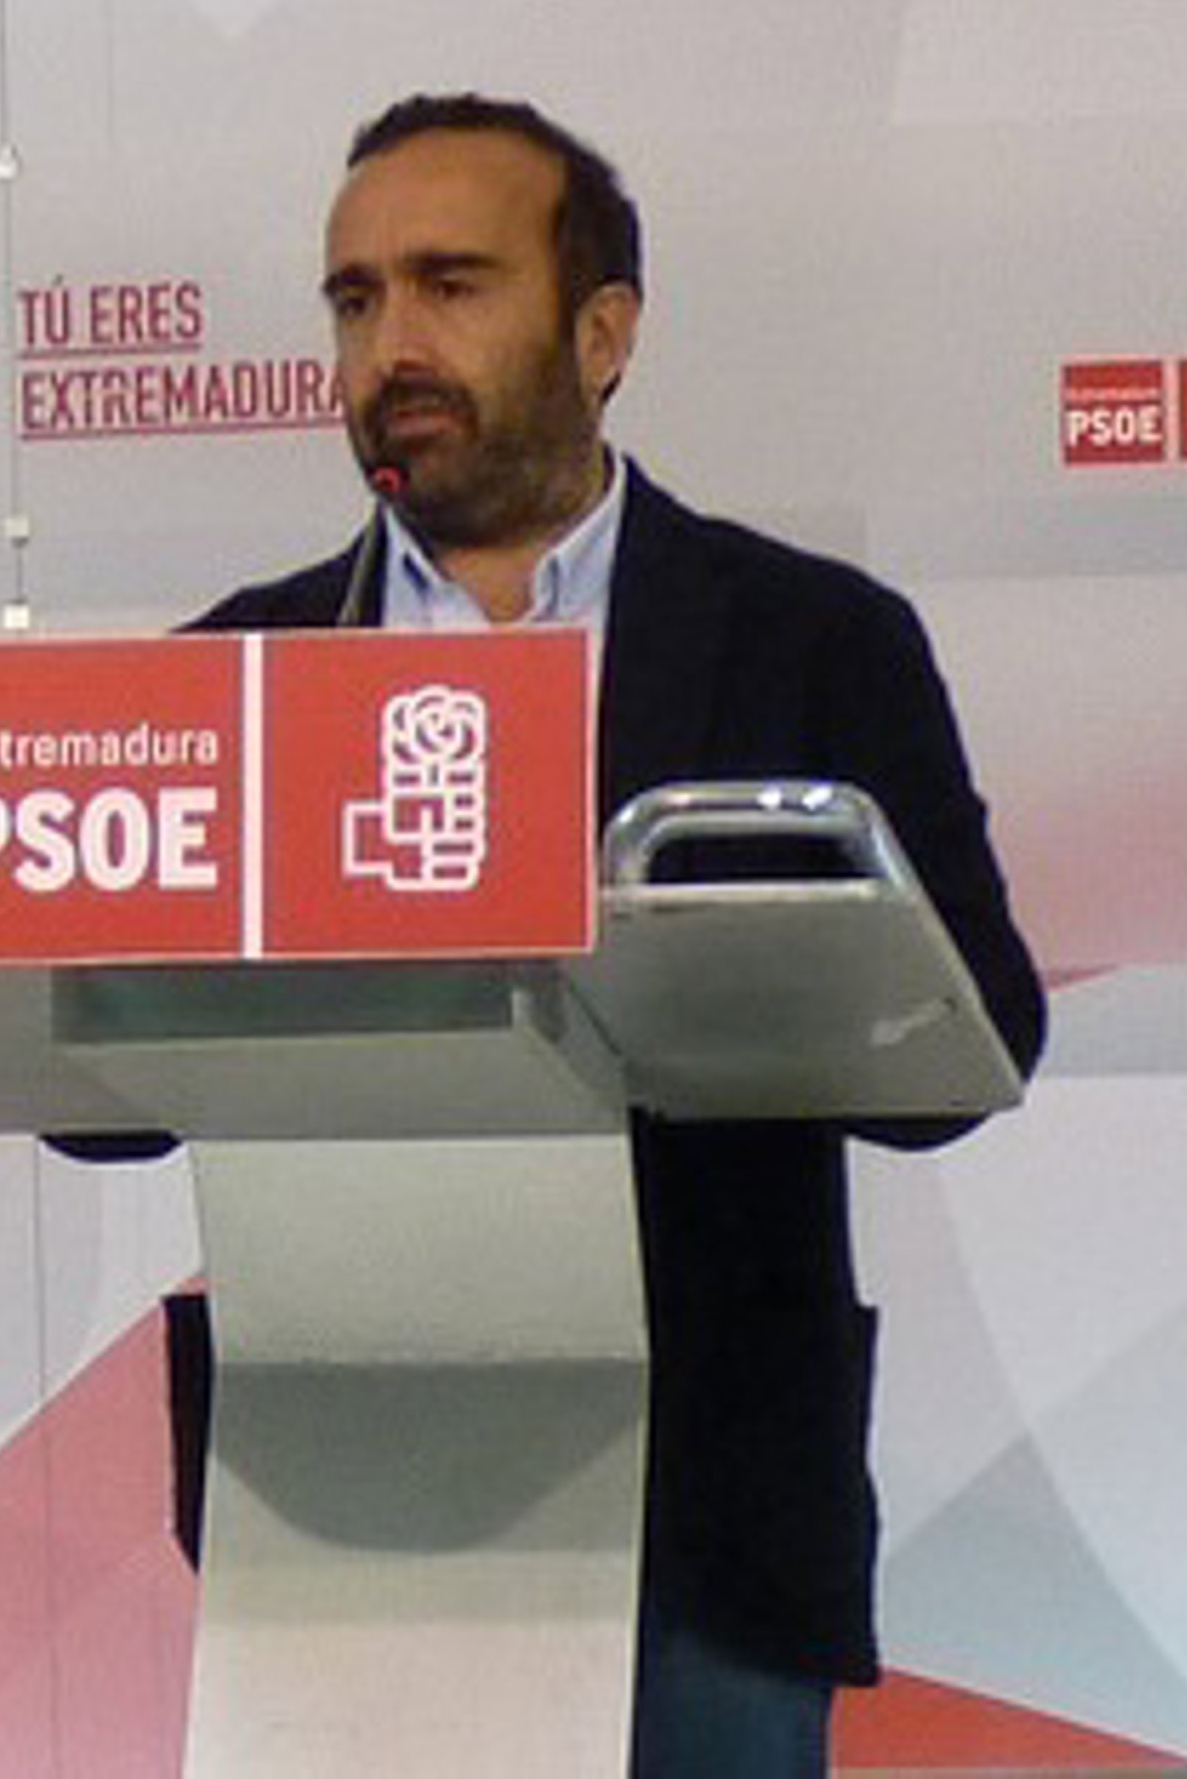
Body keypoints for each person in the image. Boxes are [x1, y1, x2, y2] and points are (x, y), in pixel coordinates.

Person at [183, 93, 1047, 1776]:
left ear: (604, 332)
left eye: (450, 284)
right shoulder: (243, 673)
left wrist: (694, 980)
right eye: (356, 298)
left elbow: (975, 1046)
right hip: (347, 1502)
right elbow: (95, 1109)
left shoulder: (814, 641)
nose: (392, 344)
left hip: (704, 1513)